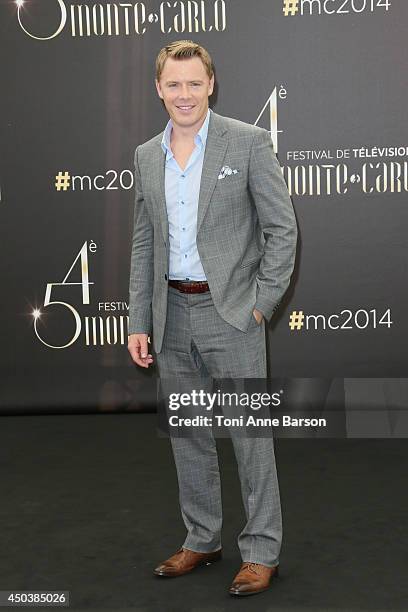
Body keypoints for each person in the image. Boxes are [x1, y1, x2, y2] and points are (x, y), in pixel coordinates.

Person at [127, 40, 297, 597]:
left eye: (194, 83)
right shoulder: (146, 155)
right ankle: (202, 538)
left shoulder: (246, 143)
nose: (184, 94)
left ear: (211, 85)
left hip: (232, 313)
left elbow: (282, 230)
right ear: (159, 88)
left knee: (251, 435)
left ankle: (262, 550)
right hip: (170, 313)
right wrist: (138, 319)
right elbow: (144, 243)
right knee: (189, 435)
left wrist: (260, 305)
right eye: (173, 84)